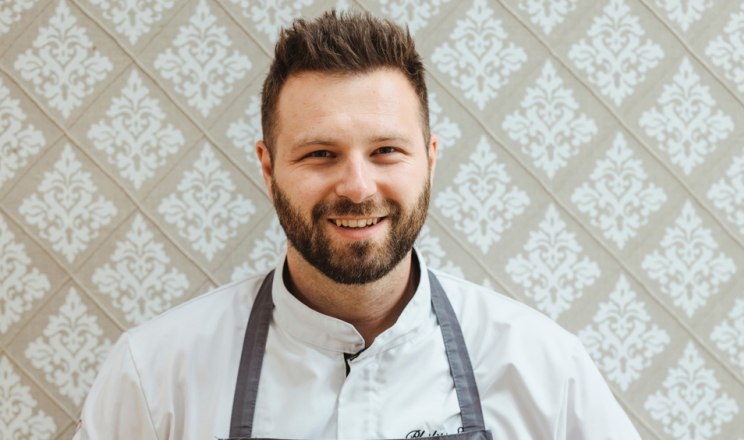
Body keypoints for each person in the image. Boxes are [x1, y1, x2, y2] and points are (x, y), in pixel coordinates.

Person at [76, 10, 640, 440]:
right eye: (320, 154)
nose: (358, 186)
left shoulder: (545, 369)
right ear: (269, 170)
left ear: (430, 159)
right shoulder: (152, 375)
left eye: (387, 150)